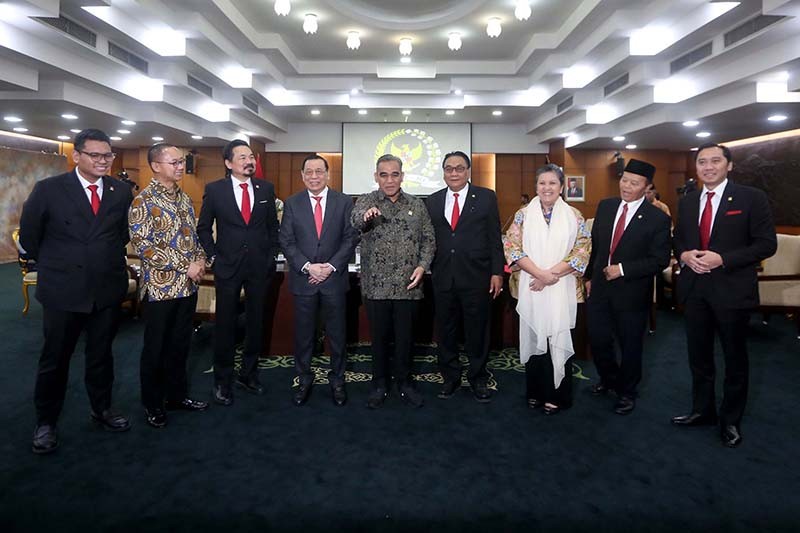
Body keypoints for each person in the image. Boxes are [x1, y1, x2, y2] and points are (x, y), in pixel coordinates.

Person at [20, 128, 133, 454]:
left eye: (107, 155)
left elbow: (121, 235)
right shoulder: (49, 189)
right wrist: (62, 263)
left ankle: (102, 409)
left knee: (101, 356)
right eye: (95, 155)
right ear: (77, 156)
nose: (102, 161)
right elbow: (30, 237)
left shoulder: (120, 191)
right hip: (63, 290)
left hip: (107, 289)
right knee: (55, 359)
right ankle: (45, 423)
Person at [671, 142, 776, 448]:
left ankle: (730, 420)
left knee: (734, 358)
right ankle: (702, 410)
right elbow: (678, 239)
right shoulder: (688, 201)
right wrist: (685, 254)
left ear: (729, 165)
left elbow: (766, 244)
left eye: (715, 161)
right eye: (702, 162)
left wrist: (723, 259)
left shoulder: (751, 198)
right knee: (699, 357)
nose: (708, 167)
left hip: (732, 289)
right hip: (695, 290)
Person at [128, 143, 209, 428]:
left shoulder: (185, 199)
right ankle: (153, 403)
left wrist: (199, 260)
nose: (180, 167)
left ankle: (177, 396)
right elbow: (145, 246)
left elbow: (194, 237)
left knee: (180, 346)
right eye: (174, 162)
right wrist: (184, 265)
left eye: (181, 162)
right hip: (160, 290)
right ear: (156, 166)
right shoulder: (143, 201)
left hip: (187, 288)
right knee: (156, 349)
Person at [584, 159, 671, 415]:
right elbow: (597, 247)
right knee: (598, 340)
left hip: (631, 291)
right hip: (599, 287)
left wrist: (622, 269)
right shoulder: (606, 206)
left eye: (634, 183)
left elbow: (659, 260)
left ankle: (627, 392)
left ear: (647, 187)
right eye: (624, 180)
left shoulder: (657, 218)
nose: (627, 186)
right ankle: (609, 379)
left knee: (630, 345)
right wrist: (589, 277)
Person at [197, 140, 280, 406]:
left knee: (256, 323)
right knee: (225, 324)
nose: (249, 161)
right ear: (228, 163)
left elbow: (272, 228)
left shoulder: (265, 188)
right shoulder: (215, 190)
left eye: (250, 156)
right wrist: (213, 257)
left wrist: (271, 256)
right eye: (242, 157)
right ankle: (222, 380)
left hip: (259, 267)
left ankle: (249, 374)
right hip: (227, 267)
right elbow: (203, 228)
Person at [503, 164, 591, 415]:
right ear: (536, 187)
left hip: (561, 289)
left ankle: (558, 396)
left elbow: (582, 252)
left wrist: (549, 276)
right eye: (542, 183)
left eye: (552, 183)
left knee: (557, 338)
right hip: (532, 287)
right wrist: (539, 275)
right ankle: (535, 391)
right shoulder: (522, 215)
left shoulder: (575, 216)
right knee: (533, 338)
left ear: (562, 187)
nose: (547, 188)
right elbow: (512, 248)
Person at [351, 154, 435, 409]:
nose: (389, 179)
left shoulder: (417, 205)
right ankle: (379, 385)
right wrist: (367, 215)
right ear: (376, 176)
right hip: (376, 288)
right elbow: (355, 220)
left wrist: (422, 266)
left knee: (405, 340)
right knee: (379, 340)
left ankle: (405, 383)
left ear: (402, 176)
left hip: (408, 287)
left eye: (394, 174)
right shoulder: (366, 201)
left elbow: (428, 239)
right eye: (384, 174)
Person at [425, 151, 504, 402]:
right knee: (446, 332)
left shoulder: (485, 197)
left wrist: (497, 272)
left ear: (468, 171)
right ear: (444, 172)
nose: (454, 173)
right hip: (443, 277)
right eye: (449, 168)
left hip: (476, 276)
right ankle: (450, 378)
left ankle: (478, 378)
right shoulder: (433, 201)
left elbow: (495, 238)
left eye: (459, 168)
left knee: (477, 331)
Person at [279, 154, 357, 406]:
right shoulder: (292, 203)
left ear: (327, 174)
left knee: (337, 334)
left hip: (334, 279)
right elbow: (287, 241)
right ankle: (303, 379)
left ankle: (338, 380)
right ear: (302, 176)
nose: (314, 176)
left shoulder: (344, 202)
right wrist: (308, 267)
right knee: (303, 336)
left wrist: (330, 267)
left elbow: (350, 238)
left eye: (319, 171)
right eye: (309, 172)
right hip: (304, 280)